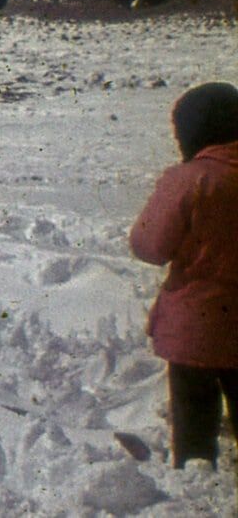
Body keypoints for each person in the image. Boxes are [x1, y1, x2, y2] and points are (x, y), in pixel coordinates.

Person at [130, 81, 238, 469]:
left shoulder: (187, 180)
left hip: (198, 330)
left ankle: (195, 492)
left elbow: (149, 246)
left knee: (194, 428)